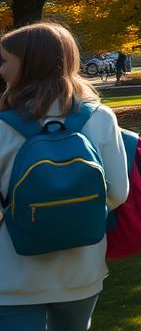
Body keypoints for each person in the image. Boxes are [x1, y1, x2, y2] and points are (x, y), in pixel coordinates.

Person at [0, 22, 130, 331]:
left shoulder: (3, 127)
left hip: (13, 272)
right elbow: (118, 193)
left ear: (27, 65)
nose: (1, 69)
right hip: (81, 269)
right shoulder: (99, 117)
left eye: (5, 60)